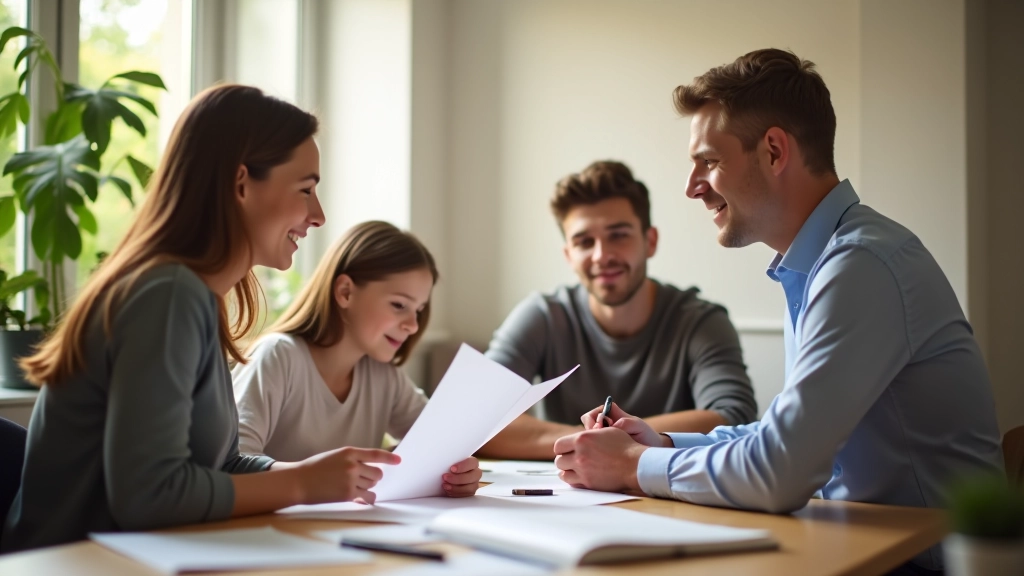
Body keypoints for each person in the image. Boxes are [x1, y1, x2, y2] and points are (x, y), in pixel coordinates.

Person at [551, 49, 1003, 572]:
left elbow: (780, 471)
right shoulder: (824, 262)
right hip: (856, 547)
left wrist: (635, 466)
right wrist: (663, 442)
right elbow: (783, 436)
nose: (691, 186)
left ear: (772, 151)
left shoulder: (860, 265)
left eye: (709, 161)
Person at [1, 85, 476, 554]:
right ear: (241, 182)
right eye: (306, 189)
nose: (319, 215)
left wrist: (314, 474)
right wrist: (302, 485)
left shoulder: (196, 297)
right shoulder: (166, 294)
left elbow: (221, 464)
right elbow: (149, 495)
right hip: (72, 563)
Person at [479, 160, 757, 460]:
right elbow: (472, 416)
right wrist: (589, 441)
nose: (602, 255)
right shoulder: (544, 316)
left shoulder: (700, 322)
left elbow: (734, 417)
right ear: (569, 255)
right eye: (584, 242)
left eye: (618, 235)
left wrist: (602, 444)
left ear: (649, 242)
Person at [232, 220, 479, 496]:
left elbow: (441, 441)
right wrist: (310, 479)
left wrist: (455, 472)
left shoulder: (382, 374)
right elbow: (232, 465)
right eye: (399, 305)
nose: (413, 325)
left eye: (418, 310)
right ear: (345, 292)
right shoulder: (278, 357)